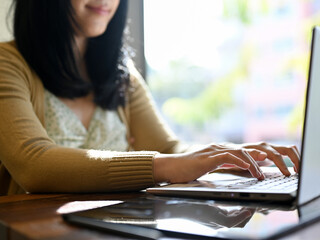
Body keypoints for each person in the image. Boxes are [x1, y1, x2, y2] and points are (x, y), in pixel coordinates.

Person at [0, 0, 299, 196]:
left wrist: (229, 155)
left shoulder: (121, 74)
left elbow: (171, 148)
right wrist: (166, 165)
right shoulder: (8, 63)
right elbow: (34, 165)